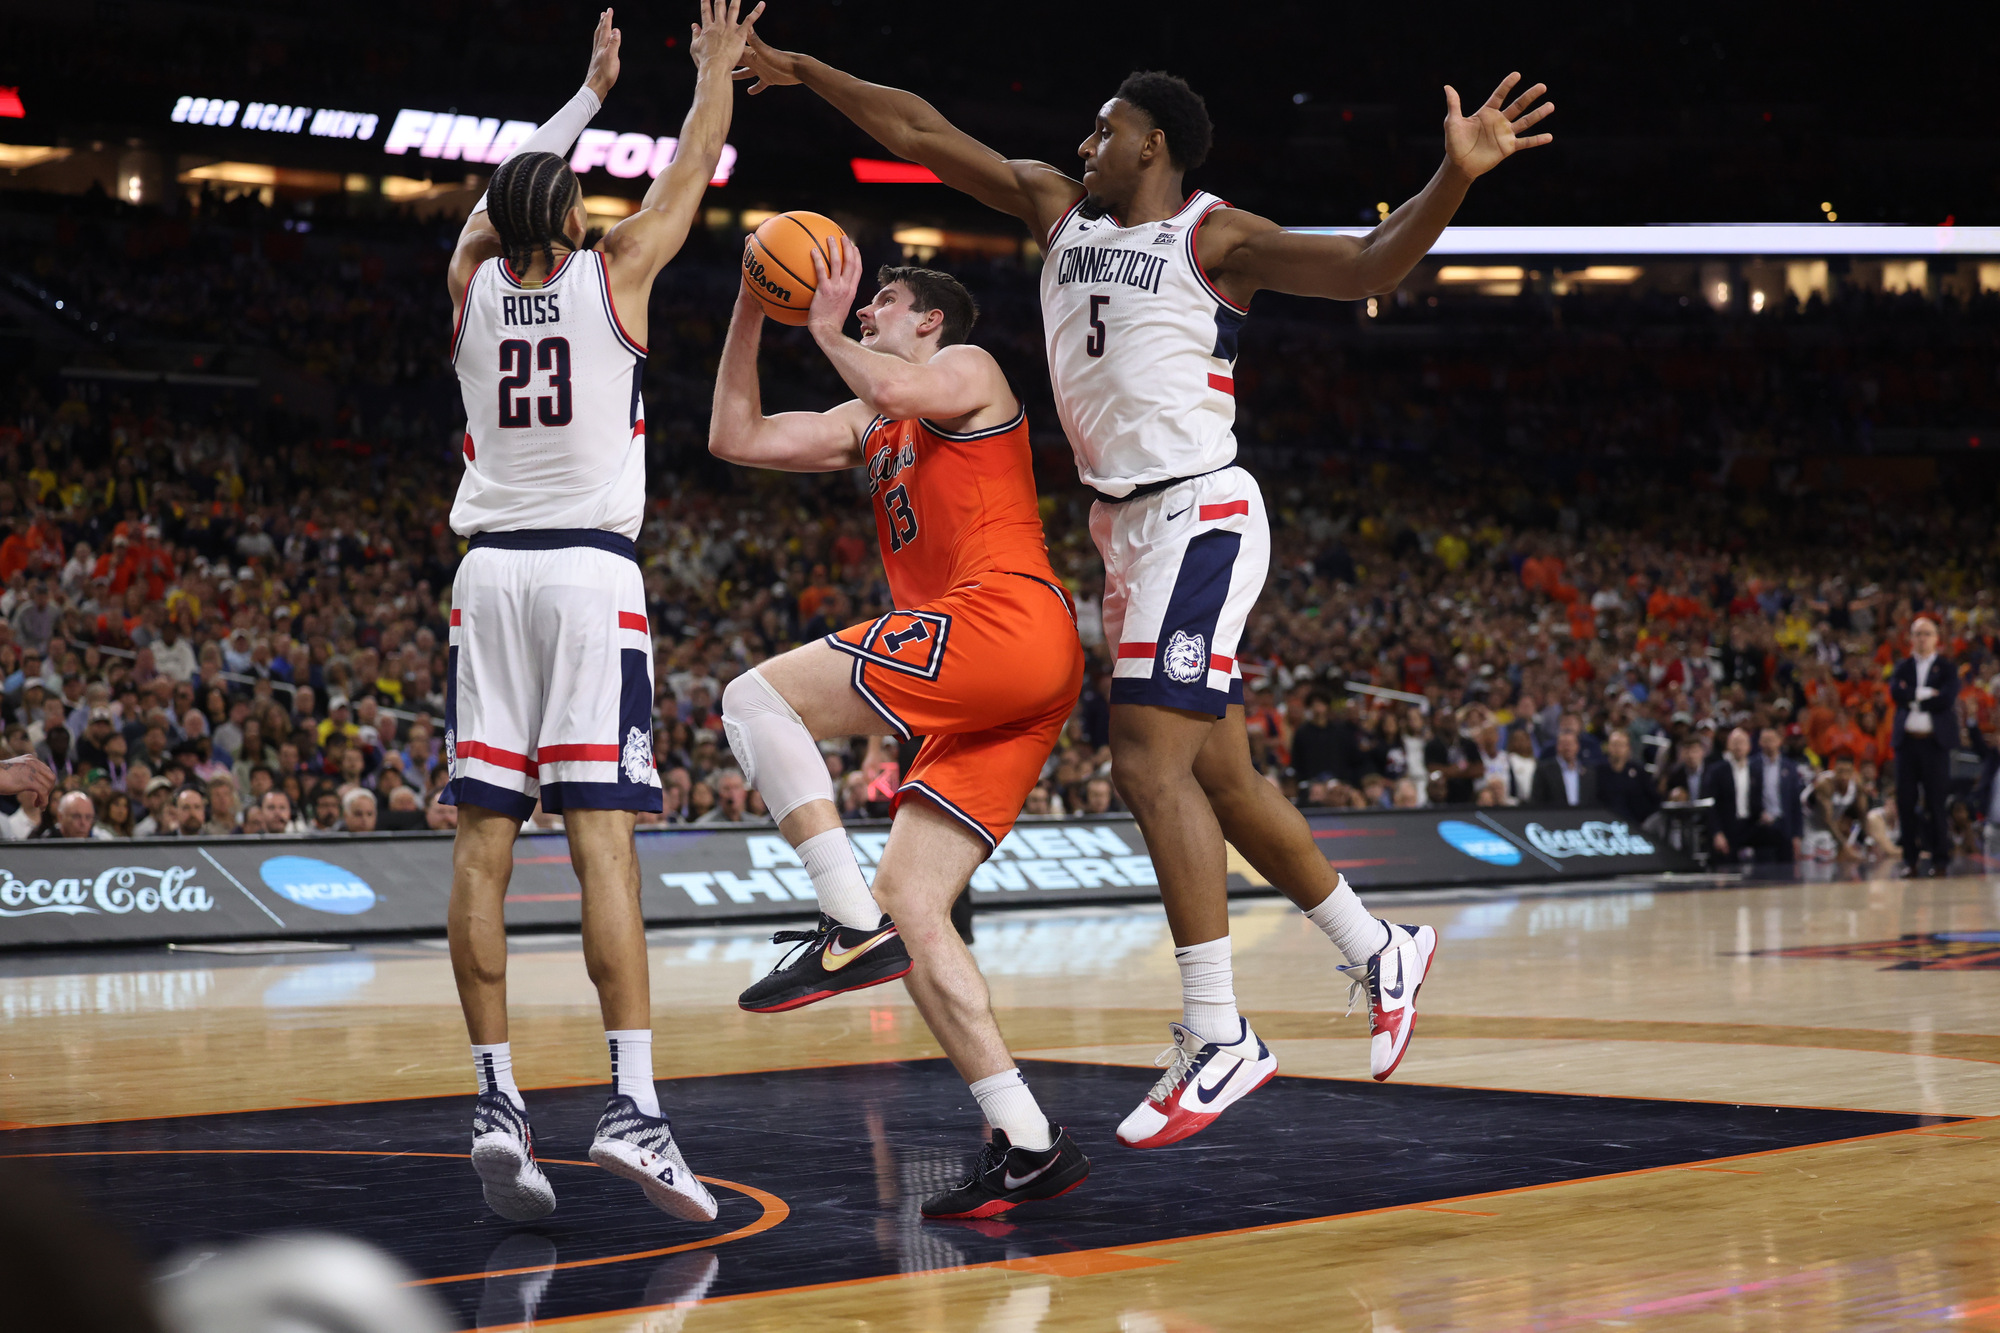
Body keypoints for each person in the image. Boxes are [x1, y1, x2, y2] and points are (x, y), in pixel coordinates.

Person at [731, 37, 1551, 1123]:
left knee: (1140, 757)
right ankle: (1378, 943)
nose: (1083, 141)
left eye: (1103, 128)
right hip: (1125, 532)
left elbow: (1366, 267)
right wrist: (803, 71)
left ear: (1152, 143)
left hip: (1196, 508)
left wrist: (1452, 174)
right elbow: (919, 131)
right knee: (1221, 778)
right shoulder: (1054, 208)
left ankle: (1217, 1030)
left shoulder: (1214, 234)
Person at [438, 2, 759, 1227]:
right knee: (601, 845)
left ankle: (494, 1102)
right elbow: (689, 164)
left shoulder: (465, 281)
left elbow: (490, 205)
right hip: (585, 578)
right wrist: (711, 69)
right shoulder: (617, 272)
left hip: (488, 581)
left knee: (481, 849)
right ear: (572, 218)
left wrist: (578, 99)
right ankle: (631, 1106)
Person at [711, 249, 1090, 1218]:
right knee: (913, 906)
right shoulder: (866, 417)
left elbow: (889, 382)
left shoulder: (967, 368)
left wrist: (827, 328)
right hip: (1006, 670)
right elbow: (734, 434)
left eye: (886, 297)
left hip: (1004, 618)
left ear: (928, 322)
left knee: (754, 699)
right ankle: (1029, 1139)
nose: (868, 304)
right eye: (865, 295)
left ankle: (842, 925)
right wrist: (753, 310)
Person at [1889, 615, 1958, 876]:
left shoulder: (1946, 667)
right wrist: (1927, 694)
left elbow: (1947, 699)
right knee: (1906, 802)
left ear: (1936, 638)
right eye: (1918, 633)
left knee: (1936, 803)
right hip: (1907, 745)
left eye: (1927, 633)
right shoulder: (1903, 666)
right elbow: (1896, 694)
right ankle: (1911, 860)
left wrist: (1914, 697)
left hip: (1934, 745)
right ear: (1911, 637)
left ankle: (1940, 859)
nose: (1922, 638)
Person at [1749, 725, 1805, 863]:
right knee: (1763, 869)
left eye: (1772, 740)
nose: (1768, 744)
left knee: (1787, 871)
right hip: (1762, 825)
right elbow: (1749, 797)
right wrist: (1758, 813)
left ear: (1779, 741)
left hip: (1784, 825)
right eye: (1765, 740)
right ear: (1759, 742)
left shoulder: (1790, 767)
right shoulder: (1752, 765)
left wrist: (1797, 834)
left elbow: (1795, 802)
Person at [1703, 726, 1757, 861]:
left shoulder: (1756, 770)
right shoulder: (1717, 771)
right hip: (1727, 827)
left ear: (1749, 746)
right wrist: (1717, 832)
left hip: (1750, 826)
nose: (1738, 747)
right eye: (1735, 742)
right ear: (1728, 745)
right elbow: (1710, 805)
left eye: (1742, 742)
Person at [1595, 730, 1657, 826]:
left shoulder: (1638, 771)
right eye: (1614, 744)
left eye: (1621, 745)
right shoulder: (1598, 771)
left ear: (1628, 748)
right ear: (1608, 747)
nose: (1617, 749)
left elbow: (1652, 799)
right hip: (1604, 824)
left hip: (1634, 824)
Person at [1529, 726, 1596, 808]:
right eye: (1564, 744)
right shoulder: (1544, 770)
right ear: (1557, 746)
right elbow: (1537, 801)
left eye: (1570, 744)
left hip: (1583, 817)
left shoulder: (1588, 772)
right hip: (1554, 818)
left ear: (1577, 746)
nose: (1567, 747)